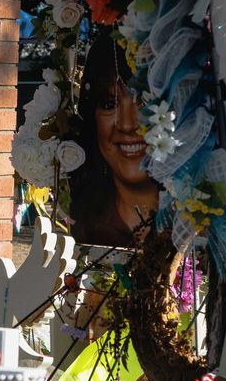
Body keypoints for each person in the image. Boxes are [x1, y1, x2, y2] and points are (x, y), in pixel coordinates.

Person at [67, 35, 160, 246]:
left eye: (144, 103)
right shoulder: (88, 223)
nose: (127, 125)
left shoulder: (196, 218)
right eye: (109, 104)